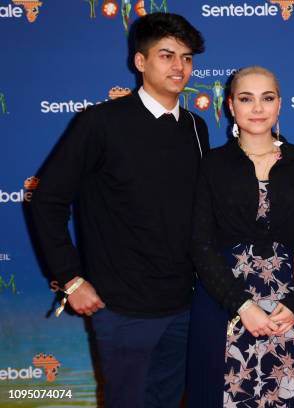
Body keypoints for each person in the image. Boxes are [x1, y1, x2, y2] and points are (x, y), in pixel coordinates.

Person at [29, 13, 208, 408]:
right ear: (140, 62)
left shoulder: (196, 127)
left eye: (187, 57)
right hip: (122, 308)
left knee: (168, 400)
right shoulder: (100, 123)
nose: (179, 67)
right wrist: (71, 280)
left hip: (183, 304)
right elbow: (47, 200)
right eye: (166, 55)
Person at [187, 66, 294, 407]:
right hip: (225, 304)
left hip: (288, 307)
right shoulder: (213, 164)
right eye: (246, 99)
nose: (258, 108)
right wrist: (242, 306)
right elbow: (200, 243)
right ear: (231, 106)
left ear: (279, 105)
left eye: (267, 98)